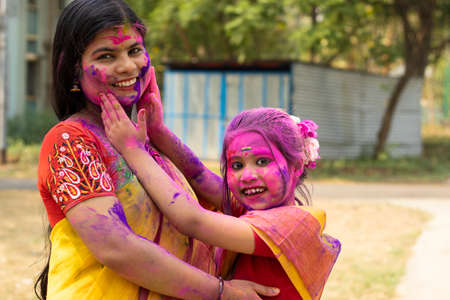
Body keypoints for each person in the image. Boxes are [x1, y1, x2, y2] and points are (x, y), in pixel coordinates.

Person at [35, 0, 281, 299]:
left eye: (134, 51)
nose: (127, 66)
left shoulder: (143, 144)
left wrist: (160, 134)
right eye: (107, 56)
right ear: (73, 69)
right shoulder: (71, 142)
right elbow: (116, 248)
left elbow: (236, 204)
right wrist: (223, 293)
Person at [99, 91, 342, 300]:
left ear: (297, 165)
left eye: (262, 161)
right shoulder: (255, 213)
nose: (247, 175)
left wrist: (133, 150)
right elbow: (197, 176)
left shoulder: (292, 223)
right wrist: (158, 130)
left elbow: (192, 220)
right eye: (236, 165)